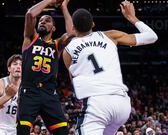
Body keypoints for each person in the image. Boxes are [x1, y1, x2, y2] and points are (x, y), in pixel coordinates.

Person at [62, 1, 158, 135]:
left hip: (98, 104)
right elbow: (152, 37)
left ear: (73, 28)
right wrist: (132, 18)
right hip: (122, 104)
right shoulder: (110, 35)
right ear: (93, 24)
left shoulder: (67, 51)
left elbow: (75, 82)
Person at [16, 0, 74, 134]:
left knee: (62, 132)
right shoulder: (30, 38)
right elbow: (30, 14)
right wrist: (50, 0)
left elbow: (72, 33)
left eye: (47, 20)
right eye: (41, 20)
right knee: (23, 131)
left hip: (49, 93)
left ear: (53, 28)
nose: (42, 22)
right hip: (29, 91)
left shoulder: (57, 44)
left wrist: (64, 7)